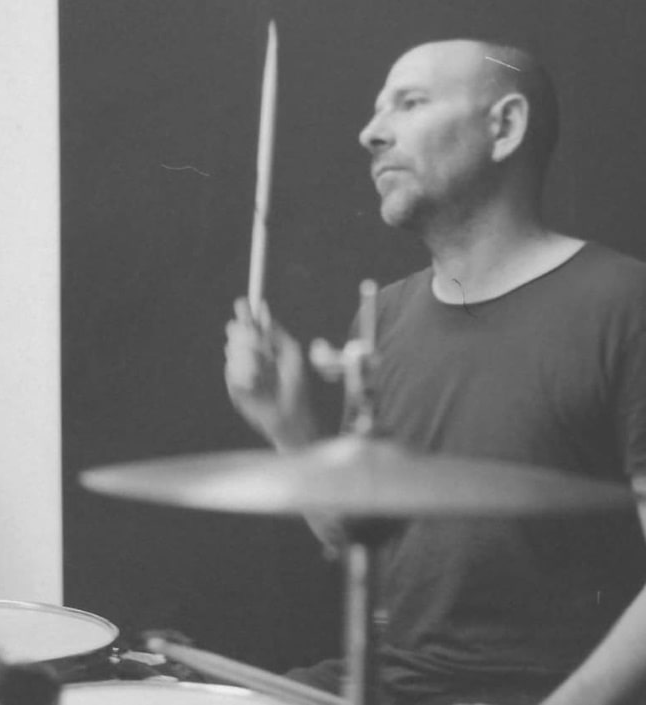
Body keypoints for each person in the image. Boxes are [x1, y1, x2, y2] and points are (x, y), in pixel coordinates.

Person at [225, 39, 646, 705]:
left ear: (505, 127)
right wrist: (287, 425)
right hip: (385, 685)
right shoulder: (383, 316)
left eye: (410, 103)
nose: (370, 133)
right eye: (376, 109)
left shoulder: (625, 304)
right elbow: (357, 540)